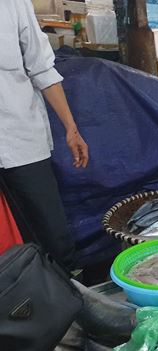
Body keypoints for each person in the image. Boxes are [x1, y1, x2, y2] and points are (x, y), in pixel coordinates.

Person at [1, 0, 88, 273]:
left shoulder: (12, 4)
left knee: (54, 236)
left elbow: (42, 68)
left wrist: (71, 128)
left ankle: (73, 302)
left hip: (20, 140)